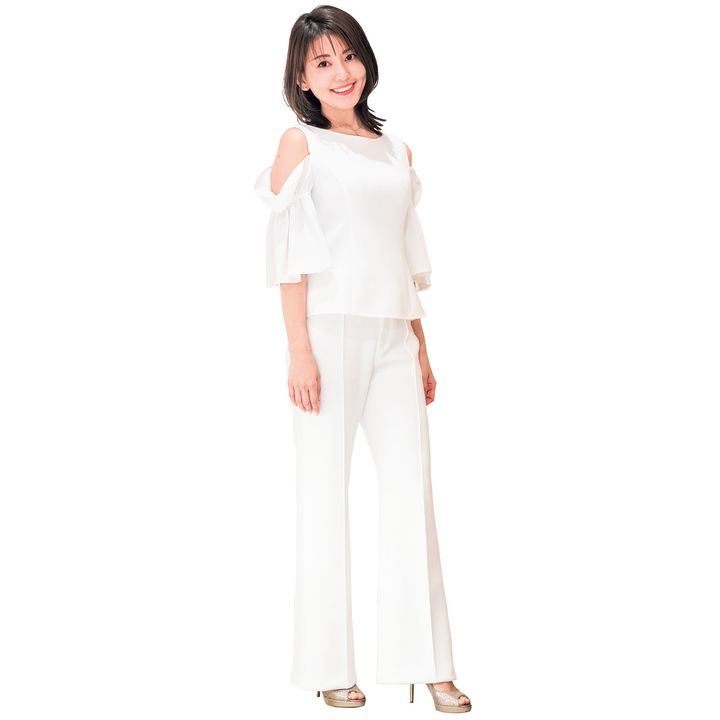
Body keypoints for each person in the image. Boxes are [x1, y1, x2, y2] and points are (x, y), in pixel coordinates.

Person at [253, 6, 471, 714]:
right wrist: (298, 351)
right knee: (324, 497)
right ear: (301, 78)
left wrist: (422, 348)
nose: (341, 72)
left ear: (365, 61)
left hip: (393, 340)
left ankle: (428, 663)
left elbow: (404, 256)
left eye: (348, 56)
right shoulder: (301, 144)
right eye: (322, 62)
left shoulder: (396, 150)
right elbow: (290, 254)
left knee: (413, 495)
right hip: (327, 335)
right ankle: (327, 667)